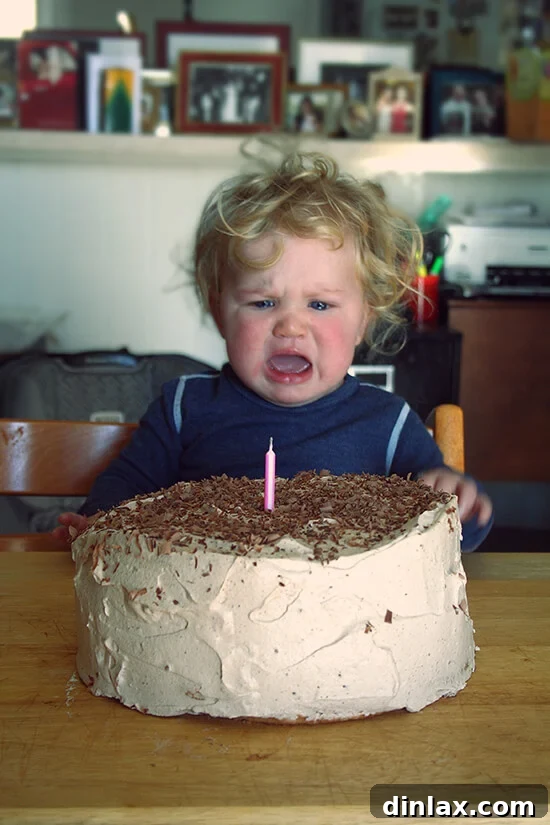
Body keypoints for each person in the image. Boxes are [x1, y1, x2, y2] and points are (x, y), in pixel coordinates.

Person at [53, 151, 493, 551]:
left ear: (364, 320)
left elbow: (447, 535)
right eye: (263, 302)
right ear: (219, 311)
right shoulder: (183, 408)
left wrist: (459, 504)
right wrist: (96, 522)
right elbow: (124, 490)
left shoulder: (389, 424)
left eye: (320, 304)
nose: (290, 325)